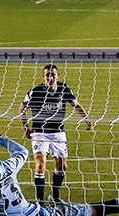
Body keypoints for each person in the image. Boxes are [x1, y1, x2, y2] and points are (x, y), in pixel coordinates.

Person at [19, 64, 92, 205]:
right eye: (47, 75)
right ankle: (40, 202)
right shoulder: (36, 91)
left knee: (62, 167)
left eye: (53, 74)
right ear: (43, 77)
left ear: (58, 76)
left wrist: (87, 119)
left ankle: (54, 195)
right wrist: (26, 127)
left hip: (58, 132)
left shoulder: (64, 89)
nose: (50, 77)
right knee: (40, 165)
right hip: (39, 132)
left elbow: (76, 104)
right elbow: (22, 108)